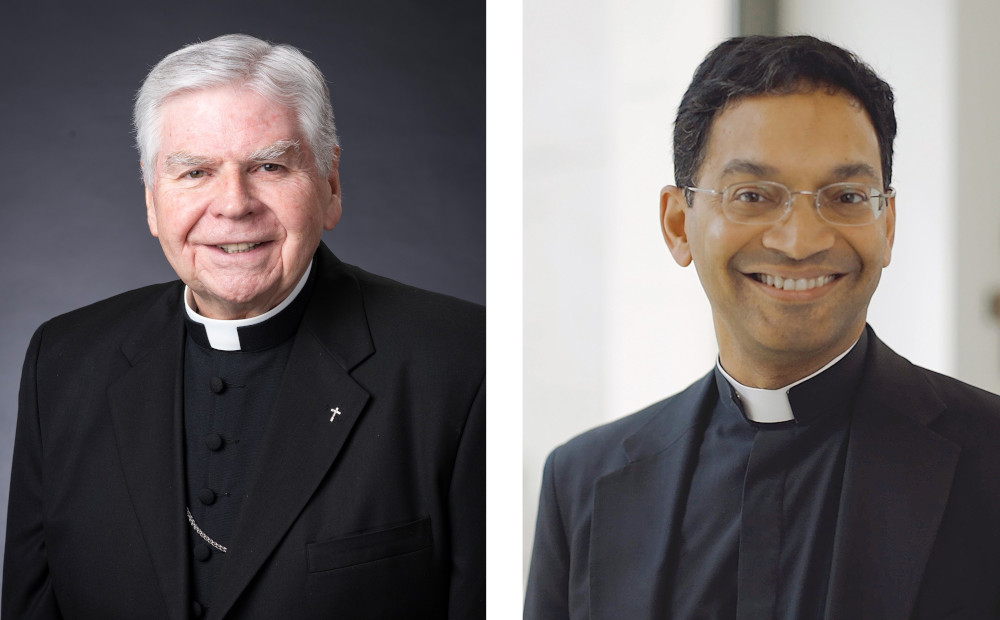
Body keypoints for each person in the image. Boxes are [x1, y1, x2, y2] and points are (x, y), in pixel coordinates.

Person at [3, 34, 484, 619]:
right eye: (196, 172)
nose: (234, 204)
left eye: (270, 166)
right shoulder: (62, 361)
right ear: (152, 198)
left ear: (330, 184)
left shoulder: (463, 363)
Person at [525, 35, 1000, 619]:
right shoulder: (581, 484)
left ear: (888, 224)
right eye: (752, 195)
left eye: (847, 195)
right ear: (678, 224)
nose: (800, 241)